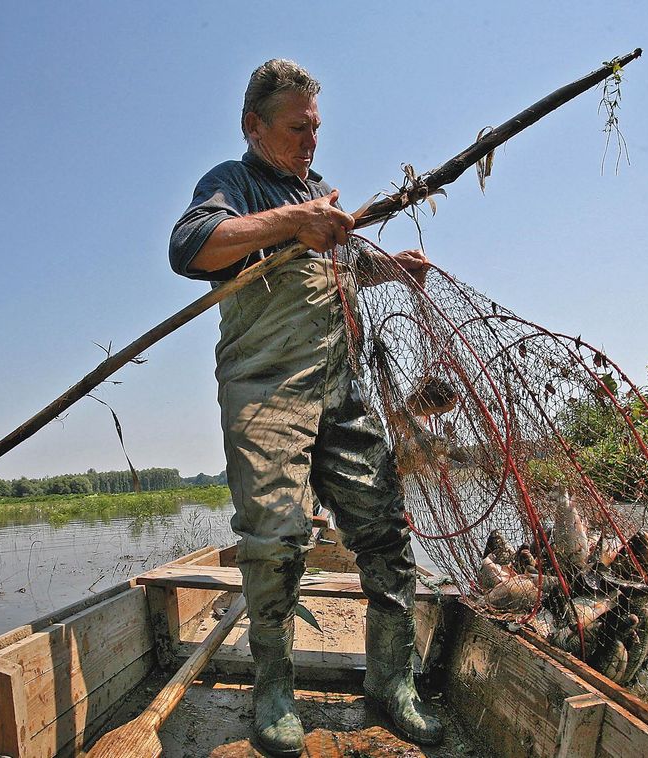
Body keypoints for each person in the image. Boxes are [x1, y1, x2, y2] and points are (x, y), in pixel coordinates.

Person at [169, 59, 443, 755]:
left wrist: (388, 269)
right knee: (275, 538)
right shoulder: (231, 185)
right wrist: (293, 220)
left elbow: (333, 267)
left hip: (339, 394)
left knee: (384, 531)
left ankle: (392, 683)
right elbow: (191, 249)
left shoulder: (319, 194)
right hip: (266, 392)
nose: (310, 141)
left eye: (316, 128)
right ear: (253, 126)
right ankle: (273, 691)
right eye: (297, 128)